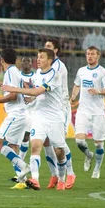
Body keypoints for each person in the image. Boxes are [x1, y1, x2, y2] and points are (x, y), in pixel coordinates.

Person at [0, 48, 67, 191]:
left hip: (55, 118)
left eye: (41, 57)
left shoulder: (55, 75)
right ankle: (35, 179)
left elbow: (36, 91)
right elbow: (32, 94)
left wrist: (14, 89)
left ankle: (61, 178)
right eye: (38, 57)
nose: (38, 59)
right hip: (39, 116)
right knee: (35, 146)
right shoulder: (36, 75)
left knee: (59, 151)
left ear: (49, 60)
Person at [0, 49, 32, 187]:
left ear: (1, 60)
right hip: (22, 114)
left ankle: (24, 166)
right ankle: (22, 181)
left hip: (16, 115)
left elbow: (13, 95)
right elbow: (20, 88)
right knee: (13, 147)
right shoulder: (15, 71)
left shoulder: (10, 72)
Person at [70, 46, 105, 179]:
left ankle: (97, 169)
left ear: (98, 56)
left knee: (98, 144)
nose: (89, 56)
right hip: (83, 110)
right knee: (79, 141)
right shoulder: (81, 71)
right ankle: (88, 155)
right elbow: (77, 84)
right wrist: (73, 96)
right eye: (88, 54)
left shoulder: (103, 72)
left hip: (98, 112)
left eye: (92, 54)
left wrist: (99, 91)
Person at [44, 38, 76, 189]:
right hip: (46, 109)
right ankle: (54, 174)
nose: (46, 48)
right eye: (45, 46)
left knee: (59, 143)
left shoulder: (59, 67)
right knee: (45, 142)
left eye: (49, 46)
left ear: (56, 50)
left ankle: (70, 172)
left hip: (60, 108)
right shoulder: (44, 67)